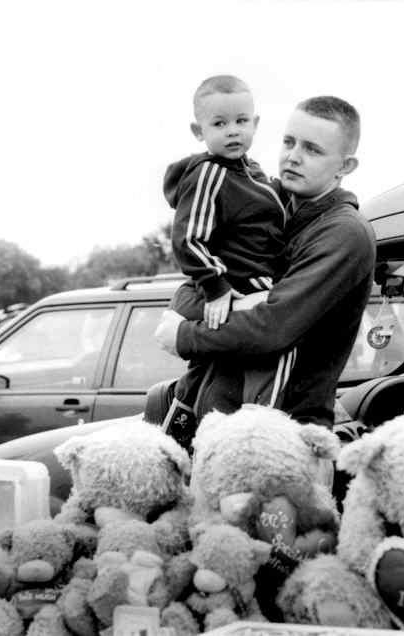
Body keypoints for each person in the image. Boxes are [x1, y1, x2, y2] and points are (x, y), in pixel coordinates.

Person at [156, 95, 375, 430]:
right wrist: (237, 302)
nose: (293, 157)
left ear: (345, 166)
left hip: (286, 433)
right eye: (289, 142)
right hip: (215, 423)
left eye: (312, 150)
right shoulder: (265, 207)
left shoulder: (345, 233)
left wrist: (185, 335)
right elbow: (190, 289)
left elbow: (275, 327)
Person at [160, 75, 287, 445]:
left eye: (241, 121)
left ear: (255, 123)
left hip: (253, 285)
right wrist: (216, 288)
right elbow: (188, 239)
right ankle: (189, 429)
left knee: (218, 368)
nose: (233, 131)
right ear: (198, 131)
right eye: (219, 124)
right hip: (232, 287)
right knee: (219, 371)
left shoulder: (254, 171)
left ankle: (192, 427)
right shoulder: (209, 174)